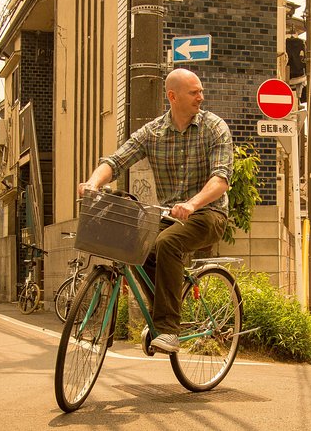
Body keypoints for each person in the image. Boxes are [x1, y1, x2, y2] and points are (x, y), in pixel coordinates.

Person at [78, 68, 233, 353]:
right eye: (194, 92)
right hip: (169, 215)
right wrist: (92, 182)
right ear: (173, 97)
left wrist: (192, 203)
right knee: (135, 245)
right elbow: (115, 160)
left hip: (209, 213)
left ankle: (168, 329)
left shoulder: (214, 127)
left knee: (166, 243)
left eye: (200, 91)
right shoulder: (153, 132)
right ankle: (164, 311)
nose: (201, 96)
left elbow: (220, 179)